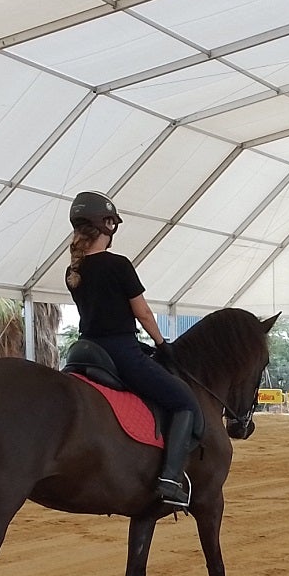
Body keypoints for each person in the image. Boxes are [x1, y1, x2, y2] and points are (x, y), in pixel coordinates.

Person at [62, 191, 200, 509]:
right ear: (108, 225)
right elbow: (144, 314)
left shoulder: (73, 272)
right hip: (120, 352)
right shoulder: (118, 265)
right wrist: (163, 345)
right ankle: (169, 478)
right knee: (184, 403)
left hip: (85, 351)